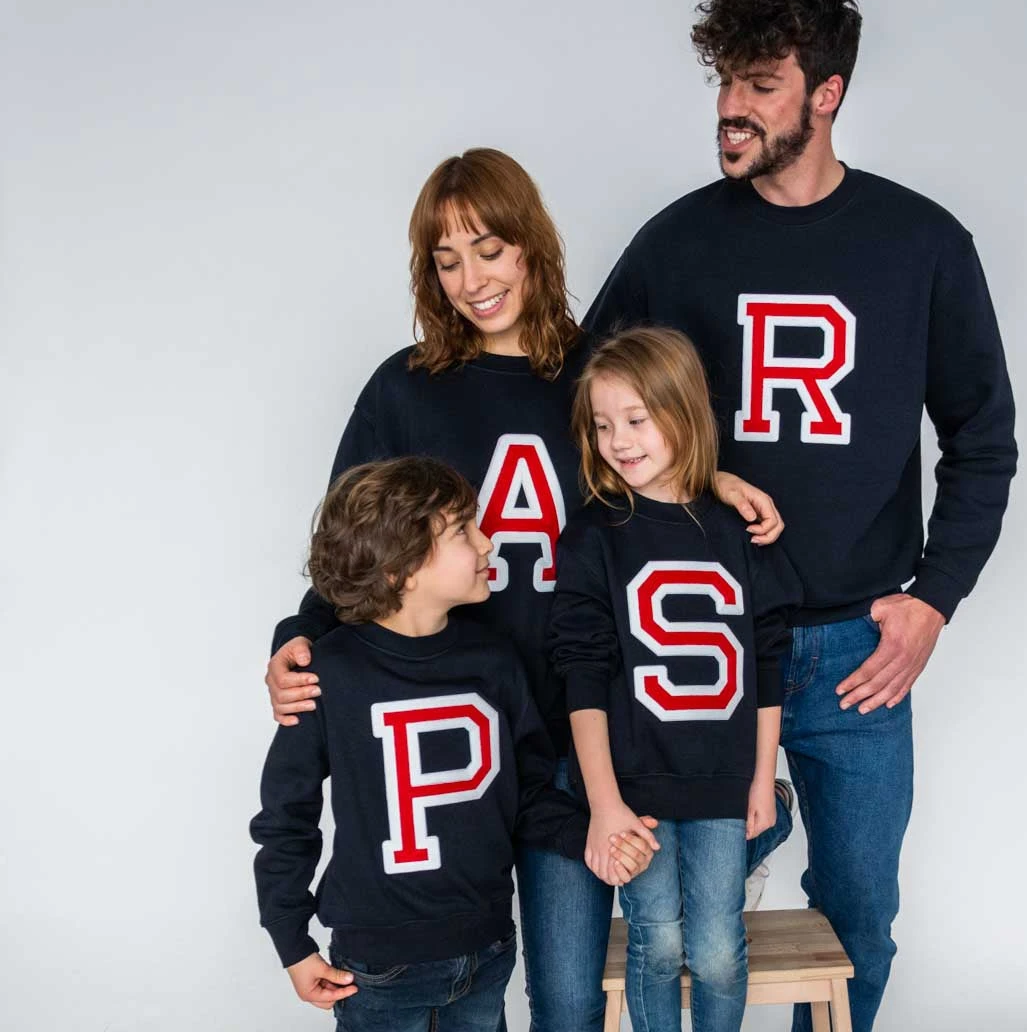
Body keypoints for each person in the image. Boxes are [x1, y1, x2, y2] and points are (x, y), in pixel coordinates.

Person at [583, 0, 1018, 1031]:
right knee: (682, 915)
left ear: (827, 94)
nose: (732, 107)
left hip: (860, 649)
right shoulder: (678, 242)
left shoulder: (921, 243)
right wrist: (697, 479)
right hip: (702, 640)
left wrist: (934, 599)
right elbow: (583, 399)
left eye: (762, 84)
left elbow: (983, 440)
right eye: (726, 82)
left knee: (860, 914)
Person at [261, 147, 786, 1031]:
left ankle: (748, 840)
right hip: (454, 720)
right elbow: (351, 544)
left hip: (581, 729)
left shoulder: (596, 370)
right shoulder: (404, 389)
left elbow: (663, 462)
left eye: (490, 249)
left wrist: (716, 485)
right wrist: (295, 639)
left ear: (531, 244)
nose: (472, 280)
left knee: (576, 993)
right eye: (447, 260)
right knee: (486, 978)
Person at [250, 456, 654, 1032]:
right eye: (463, 530)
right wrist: (291, 942)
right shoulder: (327, 676)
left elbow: (527, 796)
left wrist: (592, 836)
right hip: (377, 970)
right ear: (402, 568)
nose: (488, 542)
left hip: (486, 953)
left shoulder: (495, 664)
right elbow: (286, 818)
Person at [549, 327, 804, 1031]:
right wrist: (604, 802)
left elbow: (767, 662)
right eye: (602, 425)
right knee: (657, 938)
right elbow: (582, 674)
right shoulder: (594, 535)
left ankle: (772, 817)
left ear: (683, 412)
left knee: (717, 947)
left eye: (636, 419)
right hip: (637, 786)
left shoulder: (738, 529)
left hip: (721, 778)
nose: (618, 441)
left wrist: (762, 778)